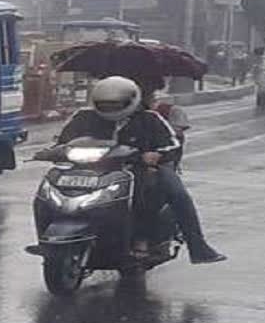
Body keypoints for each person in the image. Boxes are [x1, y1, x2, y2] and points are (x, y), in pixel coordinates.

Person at [56, 76, 226, 265]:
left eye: (116, 104)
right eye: (105, 104)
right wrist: (53, 152)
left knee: (173, 192)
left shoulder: (149, 119)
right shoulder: (83, 117)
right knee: (54, 184)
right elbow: (62, 142)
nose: (110, 108)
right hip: (92, 170)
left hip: (137, 170)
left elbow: (171, 144)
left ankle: (195, 246)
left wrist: (156, 155)